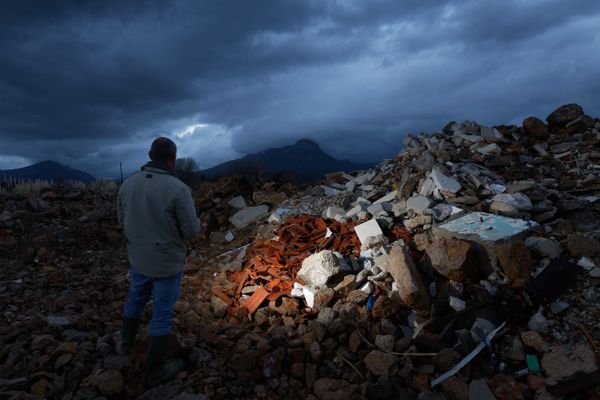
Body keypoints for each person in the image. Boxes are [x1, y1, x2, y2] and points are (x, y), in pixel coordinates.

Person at [116, 137, 201, 386]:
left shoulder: (127, 185)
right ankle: (155, 372)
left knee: (136, 298)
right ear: (172, 159)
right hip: (166, 263)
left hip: (138, 259)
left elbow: (122, 221)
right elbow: (191, 232)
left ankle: (125, 345)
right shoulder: (177, 189)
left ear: (150, 155)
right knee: (162, 314)